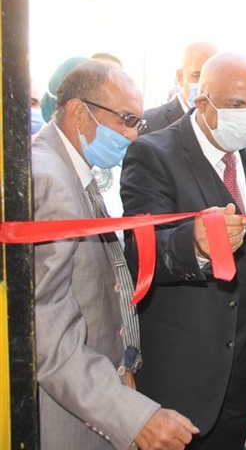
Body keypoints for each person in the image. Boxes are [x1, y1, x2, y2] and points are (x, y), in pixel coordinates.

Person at [121, 52, 246, 448]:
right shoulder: (153, 154)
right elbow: (142, 251)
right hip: (188, 359)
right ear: (202, 102)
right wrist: (196, 244)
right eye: (237, 105)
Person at [32, 60, 198, 449]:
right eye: (126, 120)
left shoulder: (70, 167)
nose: (134, 135)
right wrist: (133, 416)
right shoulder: (50, 182)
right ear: (78, 111)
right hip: (72, 413)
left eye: (138, 122)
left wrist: (124, 367)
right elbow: (47, 336)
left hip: (99, 386)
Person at [142, 42, 218, 133]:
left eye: (215, 78)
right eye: (198, 77)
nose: (206, 86)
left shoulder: (225, 124)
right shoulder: (150, 122)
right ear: (181, 77)